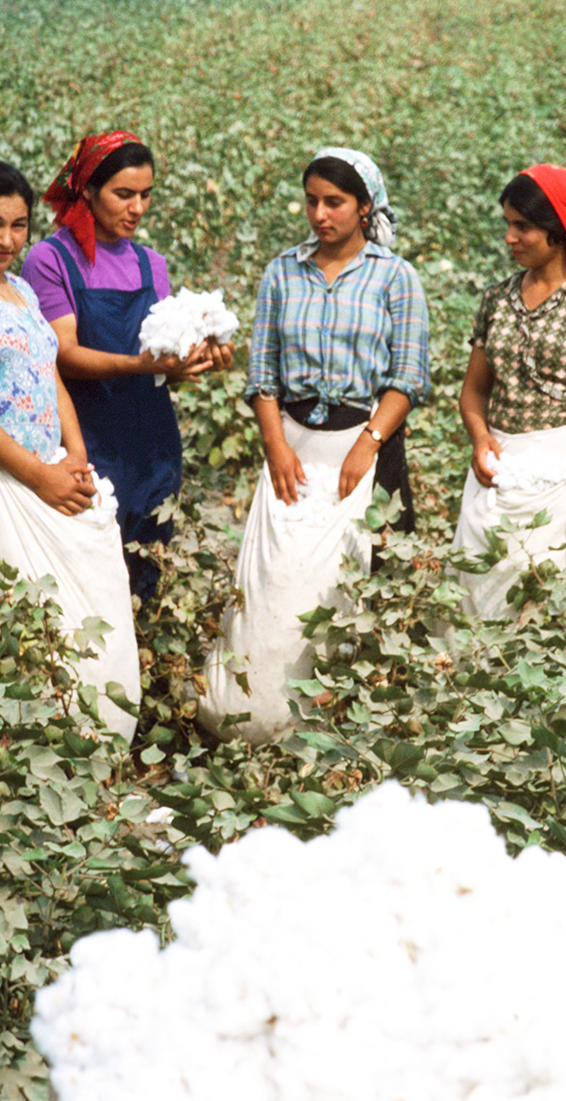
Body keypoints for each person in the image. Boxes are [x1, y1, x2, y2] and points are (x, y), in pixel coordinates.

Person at [198, 147, 431, 743]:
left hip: (365, 446)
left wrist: (368, 444)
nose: (320, 215)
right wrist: (276, 447)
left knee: (355, 584)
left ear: (364, 207)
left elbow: (407, 376)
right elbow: (263, 377)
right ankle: (253, 717)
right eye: (312, 201)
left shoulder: (395, 277)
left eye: (335, 203)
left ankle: (341, 726)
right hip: (294, 446)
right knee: (275, 578)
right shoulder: (283, 272)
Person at [0, 161, 140, 735]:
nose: (7, 239)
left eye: (19, 225)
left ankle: (32, 738)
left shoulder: (20, 291)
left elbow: (49, 373)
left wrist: (76, 456)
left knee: (36, 607)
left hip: (41, 469)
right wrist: (38, 475)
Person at [21, 132, 232, 603]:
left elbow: (160, 349)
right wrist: (141, 364)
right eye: (123, 194)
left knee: (146, 571)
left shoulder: (150, 264)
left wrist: (197, 358)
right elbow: (63, 355)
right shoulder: (50, 259)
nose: (137, 208)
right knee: (89, 575)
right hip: (87, 440)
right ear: (88, 191)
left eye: (146, 195)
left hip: (153, 442)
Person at [453, 163, 566, 619]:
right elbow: (473, 392)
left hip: (565, 473)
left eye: (524, 227)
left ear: (558, 231)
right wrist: (480, 438)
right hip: (497, 471)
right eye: (507, 225)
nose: (510, 238)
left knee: (542, 606)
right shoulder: (497, 299)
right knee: (474, 596)